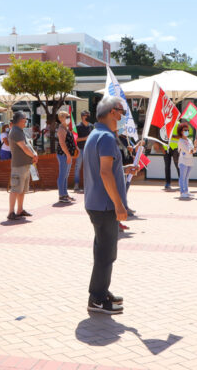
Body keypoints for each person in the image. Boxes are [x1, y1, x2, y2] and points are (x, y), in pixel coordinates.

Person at [84, 95, 138, 315]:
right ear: (111, 112)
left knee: (103, 252)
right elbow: (105, 173)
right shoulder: (106, 137)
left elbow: (105, 170)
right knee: (106, 254)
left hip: (96, 203)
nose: (122, 115)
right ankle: (96, 298)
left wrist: (123, 169)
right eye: (121, 111)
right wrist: (119, 205)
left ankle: (100, 291)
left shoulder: (96, 134)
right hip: (105, 205)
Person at [7, 111, 38, 221]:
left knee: (22, 189)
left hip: (24, 165)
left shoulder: (20, 131)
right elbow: (24, 147)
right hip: (19, 165)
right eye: (25, 120)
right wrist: (33, 155)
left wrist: (33, 154)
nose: (26, 122)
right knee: (15, 189)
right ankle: (11, 212)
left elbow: (27, 145)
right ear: (20, 120)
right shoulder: (16, 131)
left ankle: (20, 210)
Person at [56, 108, 77, 203]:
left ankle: (65, 194)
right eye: (66, 117)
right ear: (61, 118)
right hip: (63, 155)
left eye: (68, 117)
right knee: (62, 175)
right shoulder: (61, 129)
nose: (68, 118)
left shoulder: (66, 128)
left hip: (68, 155)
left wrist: (75, 149)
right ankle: (62, 195)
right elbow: (62, 143)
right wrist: (68, 155)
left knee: (65, 175)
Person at [73, 110, 93, 192]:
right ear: (82, 117)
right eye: (86, 115)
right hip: (80, 149)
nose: (88, 116)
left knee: (88, 168)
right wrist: (85, 138)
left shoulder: (92, 126)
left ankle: (88, 185)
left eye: (89, 115)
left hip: (89, 149)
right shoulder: (77, 127)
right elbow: (75, 139)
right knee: (78, 167)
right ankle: (76, 185)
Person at [177, 123, 195, 199]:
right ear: (181, 131)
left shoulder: (189, 140)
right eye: (185, 130)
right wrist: (193, 149)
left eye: (187, 130)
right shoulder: (180, 141)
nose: (187, 131)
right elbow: (188, 151)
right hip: (183, 161)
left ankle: (186, 191)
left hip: (190, 161)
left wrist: (195, 145)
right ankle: (182, 192)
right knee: (182, 177)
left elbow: (193, 150)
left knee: (187, 177)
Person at [162, 121, 180, 190]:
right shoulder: (165, 124)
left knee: (178, 166)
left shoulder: (178, 124)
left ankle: (181, 182)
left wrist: (171, 135)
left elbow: (180, 136)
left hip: (176, 148)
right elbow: (161, 137)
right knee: (167, 166)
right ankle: (167, 183)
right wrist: (162, 148)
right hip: (166, 148)